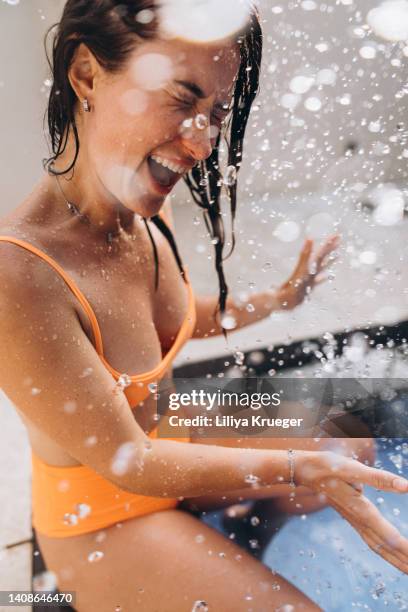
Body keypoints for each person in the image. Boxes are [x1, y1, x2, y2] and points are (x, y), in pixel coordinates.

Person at [0, 1, 407, 610]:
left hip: (171, 430)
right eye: (179, 99)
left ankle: (230, 538)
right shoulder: (18, 274)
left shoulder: (140, 203)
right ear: (85, 75)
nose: (200, 142)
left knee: (352, 453)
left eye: (216, 113)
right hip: (104, 511)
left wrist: (276, 301)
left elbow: (169, 316)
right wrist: (293, 468)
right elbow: (129, 459)